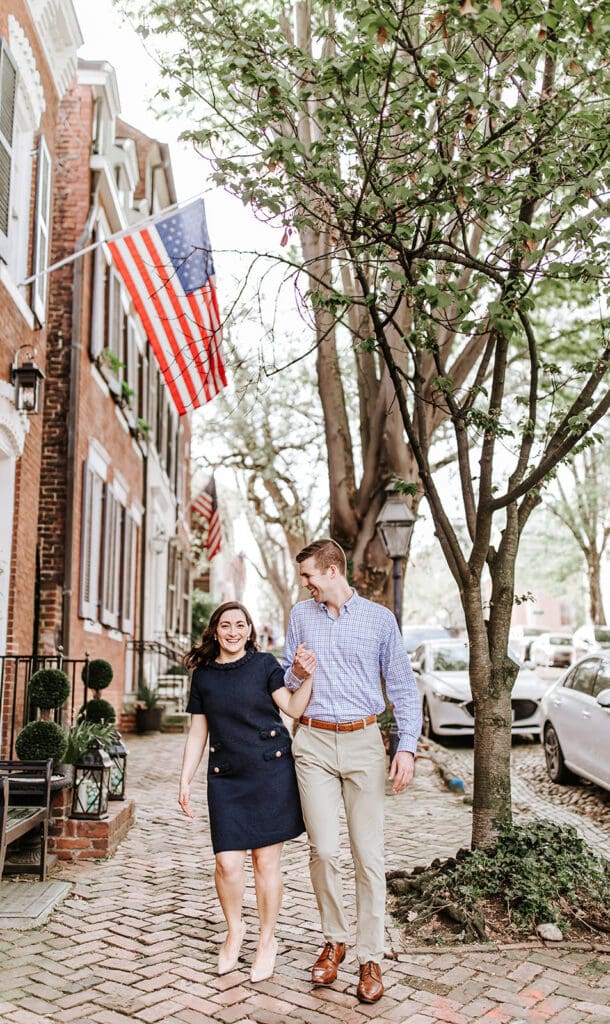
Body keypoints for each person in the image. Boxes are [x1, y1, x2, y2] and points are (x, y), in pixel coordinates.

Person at [283, 539, 422, 1004]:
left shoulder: (380, 620)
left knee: (368, 856)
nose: (304, 584)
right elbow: (287, 679)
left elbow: (403, 685)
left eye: (309, 576)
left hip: (364, 742)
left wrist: (407, 746)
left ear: (332, 570)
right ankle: (334, 940)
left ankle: (370, 956)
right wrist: (298, 672)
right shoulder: (301, 616)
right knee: (323, 850)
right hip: (315, 742)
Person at [179, 601, 316, 983]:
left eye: (241, 625)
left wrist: (307, 677)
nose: (234, 632)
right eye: (226, 625)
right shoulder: (204, 676)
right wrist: (185, 779)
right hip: (226, 777)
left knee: (265, 863)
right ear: (215, 630)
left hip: (270, 771)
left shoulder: (264, 665)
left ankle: (267, 940)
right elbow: (198, 732)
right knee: (226, 863)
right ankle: (235, 930)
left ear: (250, 630)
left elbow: (291, 709)